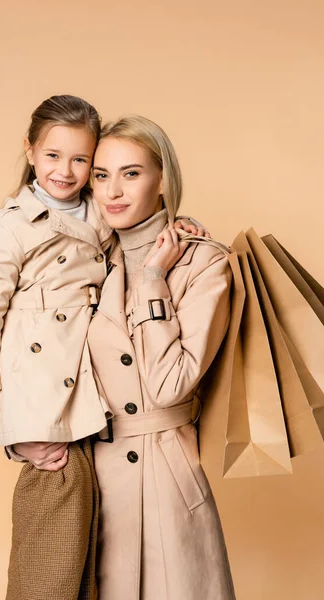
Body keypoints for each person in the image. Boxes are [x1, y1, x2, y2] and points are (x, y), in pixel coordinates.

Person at [0, 96, 204, 600]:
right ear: (29, 152)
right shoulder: (11, 223)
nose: (67, 172)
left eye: (82, 162)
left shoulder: (100, 213)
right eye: (53, 156)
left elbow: (136, 229)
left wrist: (178, 225)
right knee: (51, 554)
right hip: (46, 387)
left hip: (101, 404)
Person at [15, 115, 236, 599]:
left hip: (166, 478)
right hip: (90, 480)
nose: (112, 190)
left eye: (131, 173)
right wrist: (21, 439)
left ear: (163, 181)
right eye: (100, 174)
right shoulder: (85, 257)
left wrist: (155, 279)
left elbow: (170, 384)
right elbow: (35, 353)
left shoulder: (205, 262)